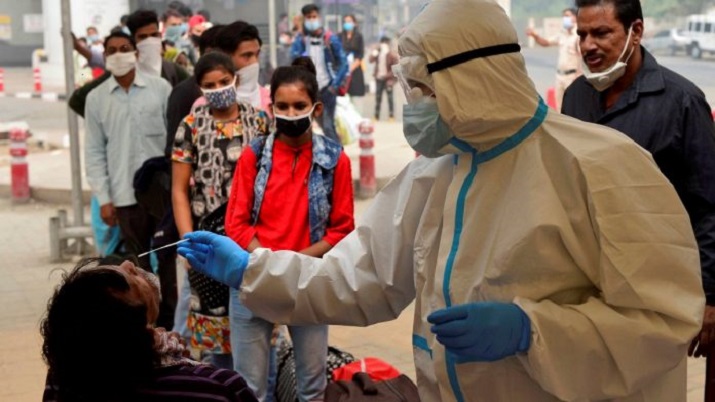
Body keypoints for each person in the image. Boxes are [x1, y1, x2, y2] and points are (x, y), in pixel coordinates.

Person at [178, 0, 705, 400]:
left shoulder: (603, 167)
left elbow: (662, 321)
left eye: (422, 90)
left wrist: (534, 332)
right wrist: (251, 271)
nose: (413, 107)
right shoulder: (433, 175)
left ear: (472, 80)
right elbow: (356, 279)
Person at [560, 0, 715, 362]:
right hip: (588, 290)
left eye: (601, 33)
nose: (587, 46)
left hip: (656, 292)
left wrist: (710, 297)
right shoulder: (576, 98)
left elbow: (709, 206)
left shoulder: (682, 101)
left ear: (636, 32)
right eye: (582, 35)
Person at [220, 57, 354, 401]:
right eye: (282, 106)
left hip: (307, 281)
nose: (290, 113)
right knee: (249, 389)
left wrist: (294, 262)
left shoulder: (335, 160)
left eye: (299, 106)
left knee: (312, 388)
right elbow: (235, 223)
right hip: (254, 277)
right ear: (271, 109)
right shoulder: (253, 156)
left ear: (316, 108)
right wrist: (269, 261)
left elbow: (342, 228)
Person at [41, 259, 259, 402]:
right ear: (142, 331)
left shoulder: (64, 378)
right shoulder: (219, 388)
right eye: (131, 281)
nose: (128, 264)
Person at [171, 52, 268, 370]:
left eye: (224, 81)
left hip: (252, 241)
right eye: (209, 85)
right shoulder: (191, 126)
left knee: (259, 330)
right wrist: (187, 242)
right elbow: (179, 190)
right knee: (216, 339)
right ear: (200, 88)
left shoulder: (259, 120)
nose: (218, 89)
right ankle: (224, 387)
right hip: (208, 243)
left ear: (235, 79)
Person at [84, 31, 171, 271]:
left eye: (124, 49)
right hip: (124, 195)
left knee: (169, 259)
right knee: (136, 264)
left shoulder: (160, 88)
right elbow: (94, 152)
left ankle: (167, 298)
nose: (119, 55)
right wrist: (104, 199)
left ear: (136, 53)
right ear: (105, 57)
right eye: (112, 51)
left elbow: (175, 141)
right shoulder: (96, 99)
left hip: (162, 192)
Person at [68, 9, 190, 117]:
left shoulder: (173, 72)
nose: (150, 41)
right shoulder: (122, 72)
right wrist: (104, 122)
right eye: (143, 37)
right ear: (133, 41)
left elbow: (194, 101)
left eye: (154, 35)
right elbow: (77, 100)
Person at [291, 4, 348, 144]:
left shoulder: (330, 38)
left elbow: (344, 63)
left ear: (319, 17)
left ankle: (337, 154)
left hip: (327, 88)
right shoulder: (301, 40)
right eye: (308, 17)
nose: (311, 20)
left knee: (328, 126)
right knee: (311, 126)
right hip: (309, 89)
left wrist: (334, 85)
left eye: (314, 16)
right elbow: (294, 60)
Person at [526, 8, 581, 110]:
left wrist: (578, 75)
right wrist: (535, 36)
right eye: (564, 16)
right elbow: (546, 43)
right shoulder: (562, 34)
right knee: (559, 107)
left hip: (572, 76)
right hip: (560, 76)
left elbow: (581, 57)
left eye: (567, 16)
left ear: (575, 17)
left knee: (572, 107)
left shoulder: (578, 35)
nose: (565, 19)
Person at [215, 21, 271, 114]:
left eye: (257, 55)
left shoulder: (271, 101)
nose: (254, 62)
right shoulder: (208, 105)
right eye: (247, 55)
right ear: (227, 57)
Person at [369, 36, 398, 121]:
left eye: (386, 43)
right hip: (379, 78)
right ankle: (376, 116)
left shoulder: (391, 54)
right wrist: (375, 52)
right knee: (378, 97)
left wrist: (387, 76)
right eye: (383, 43)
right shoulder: (378, 52)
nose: (384, 45)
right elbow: (370, 60)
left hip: (388, 80)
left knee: (390, 98)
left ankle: (391, 116)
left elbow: (395, 67)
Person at [340, 14, 367, 102]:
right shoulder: (339, 36)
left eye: (349, 21)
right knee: (342, 95)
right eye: (345, 22)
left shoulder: (358, 36)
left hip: (355, 68)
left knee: (355, 96)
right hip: (342, 68)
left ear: (354, 23)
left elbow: (360, 53)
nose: (347, 23)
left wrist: (352, 66)